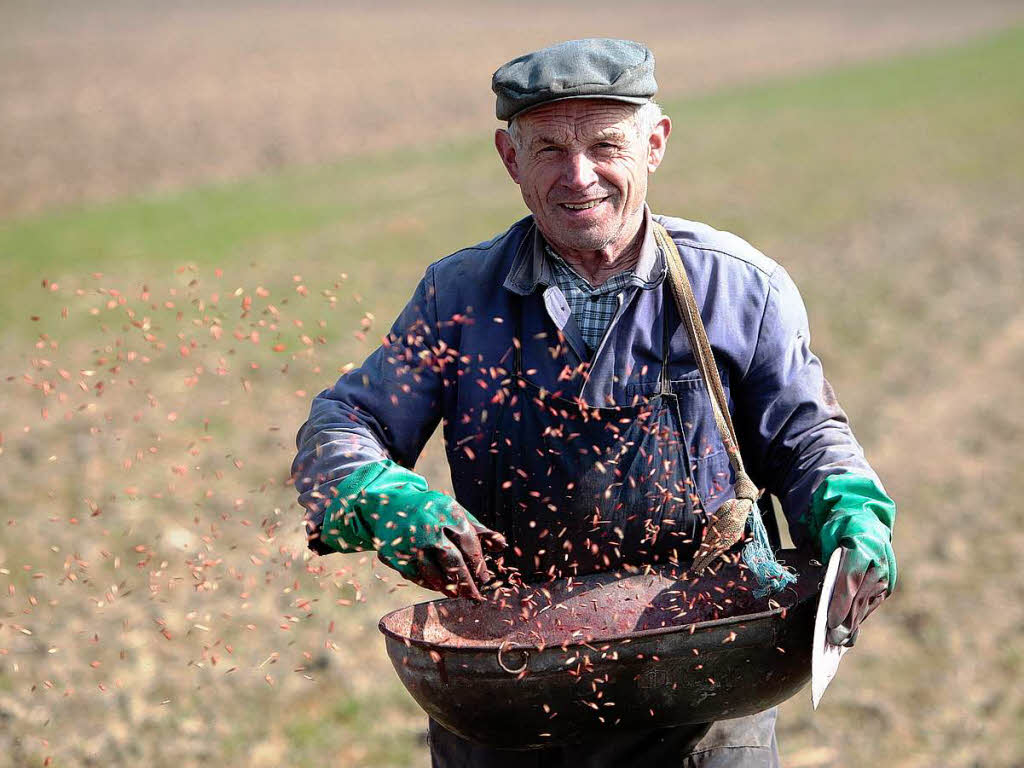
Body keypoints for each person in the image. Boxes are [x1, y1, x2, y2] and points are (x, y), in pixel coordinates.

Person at [292, 38, 897, 768]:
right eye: (548, 148)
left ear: (655, 144)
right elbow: (342, 423)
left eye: (605, 144)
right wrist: (374, 492)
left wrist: (850, 516)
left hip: (704, 699)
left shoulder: (737, 290)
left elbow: (807, 441)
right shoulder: (458, 300)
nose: (579, 176)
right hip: (512, 703)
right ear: (510, 159)